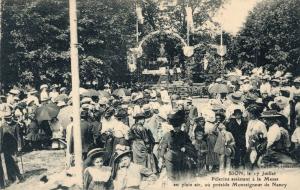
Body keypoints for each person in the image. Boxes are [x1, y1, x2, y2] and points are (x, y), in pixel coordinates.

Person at [158, 111, 196, 180]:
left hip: (181, 158)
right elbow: (163, 147)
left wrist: (185, 148)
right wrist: (161, 157)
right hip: (170, 158)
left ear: (180, 126)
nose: (177, 128)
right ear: (173, 126)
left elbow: (190, 145)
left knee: (180, 176)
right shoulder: (168, 134)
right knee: (171, 177)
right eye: (175, 126)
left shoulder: (184, 134)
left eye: (178, 126)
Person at [0, 112, 23, 185]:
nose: (8, 120)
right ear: (5, 119)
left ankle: (19, 177)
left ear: (11, 117)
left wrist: (19, 146)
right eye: (7, 119)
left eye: (9, 118)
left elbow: (18, 136)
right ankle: (11, 178)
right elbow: (1, 138)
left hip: (13, 146)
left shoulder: (15, 125)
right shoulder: (2, 126)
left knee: (14, 161)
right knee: (7, 163)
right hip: (5, 147)